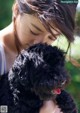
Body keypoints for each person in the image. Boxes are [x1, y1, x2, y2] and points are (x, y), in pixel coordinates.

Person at [0, 0, 78, 113]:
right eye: (34, 31)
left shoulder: (46, 57)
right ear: (16, 10)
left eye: (52, 37)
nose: (40, 42)